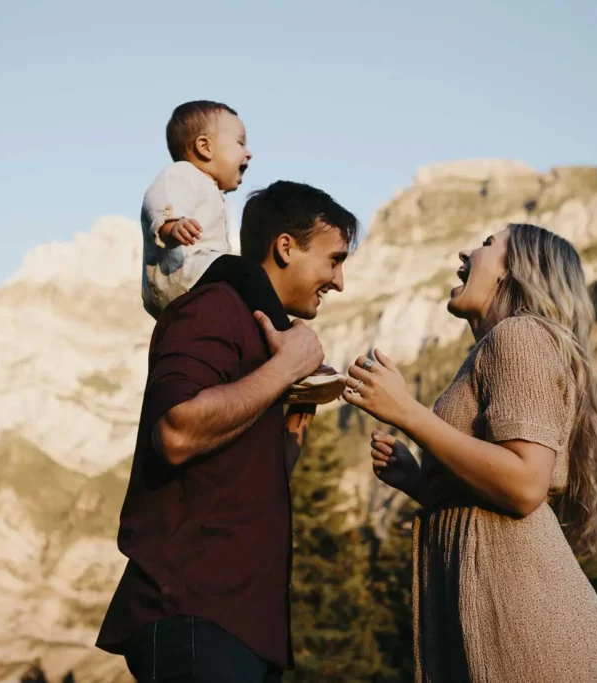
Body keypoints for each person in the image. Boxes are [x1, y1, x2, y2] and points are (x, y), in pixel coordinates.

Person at [97, 180, 360, 682]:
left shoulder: (266, 344)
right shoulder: (213, 307)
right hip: (196, 615)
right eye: (334, 260)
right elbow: (175, 432)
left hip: (244, 626)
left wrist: (290, 434)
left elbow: (232, 478)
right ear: (285, 246)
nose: (340, 281)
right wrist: (285, 371)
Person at [343, 223, 597, 682]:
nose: (465, 250)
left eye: (488, 245)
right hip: (495, 606)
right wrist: (421, 482)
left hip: (526, 620)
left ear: (513, 271)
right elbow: (494, 492)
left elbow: (526, 484)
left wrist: (409, 413)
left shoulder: (521, 336)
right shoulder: (496, 348)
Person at [140, 100, 342, 403]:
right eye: (240, 142)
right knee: (248, 273)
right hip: (184, 272)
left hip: (195, 273)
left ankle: (269, 367)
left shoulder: (211, 191)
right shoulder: (181, 174)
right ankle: (287, 344)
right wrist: (172, 225)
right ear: (204, 147)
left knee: (242, 294)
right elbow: (157, 202)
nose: (248, 153)